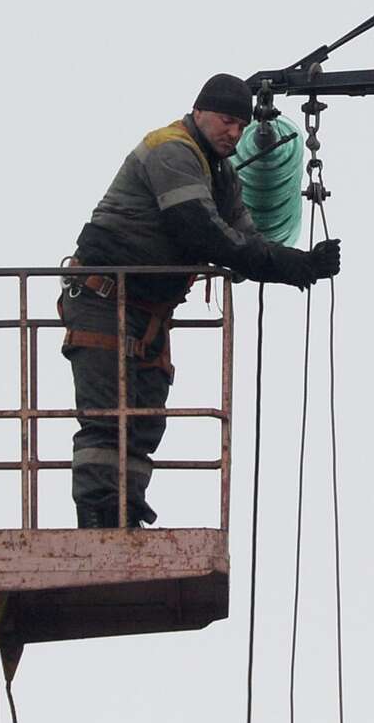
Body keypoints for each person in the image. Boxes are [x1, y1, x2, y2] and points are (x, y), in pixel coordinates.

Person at [62, 73, 340, 529]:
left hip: (146, 312)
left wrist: (300, 262)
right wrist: (294, 267)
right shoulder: (171, 149)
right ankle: (98, 522)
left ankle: (123, 516)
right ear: (199, 112)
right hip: (103, 297)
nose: (234, 132)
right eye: (227, 121)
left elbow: (244, 239)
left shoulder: (221, 175)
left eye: (240, 125)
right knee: (107, 417)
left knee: (144, 420)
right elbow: (199, 230)